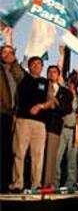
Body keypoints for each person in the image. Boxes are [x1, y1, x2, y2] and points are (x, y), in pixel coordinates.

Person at [10, 56, 55, 192]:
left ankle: (36, 184)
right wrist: (9, 38)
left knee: (37, 155)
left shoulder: (46, 83)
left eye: (39, 64)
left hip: (40, 124)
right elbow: (14, 66)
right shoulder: (23, 77)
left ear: (42, 67)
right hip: (23, 120)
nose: (36, 65)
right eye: (33, 63)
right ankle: (17, 184)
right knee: (19, 153)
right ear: (29, 67)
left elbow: (51, 101)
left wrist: (40, 106)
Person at [0, 27, 24, 193]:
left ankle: (4, 183)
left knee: (9, 150)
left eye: (11, 52)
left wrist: (10, 40)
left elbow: (21, 77)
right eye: (4, 52)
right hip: (1, 112)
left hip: (12, 114)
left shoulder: (15, 70)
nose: (8, 55)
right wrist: (6, 37)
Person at [43, 65, 73, 187]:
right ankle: (34, 182)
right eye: (49, 71)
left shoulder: (65, 92)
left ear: (59, 75)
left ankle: (48, 184)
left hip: (54, 126)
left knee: (51, 156)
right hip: (39, 123)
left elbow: (67, 109)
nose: (51, 74)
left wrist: (56, 104)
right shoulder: (42, 86)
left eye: (54, 72)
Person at [55, 70, 78, 187]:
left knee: (72, 158)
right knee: (57, 157)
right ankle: (55, 182)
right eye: (71, 80)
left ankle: (70, 183)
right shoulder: (63, 92)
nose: (73, 83)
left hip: (74, 130)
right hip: (62, 128)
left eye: (75, 81)